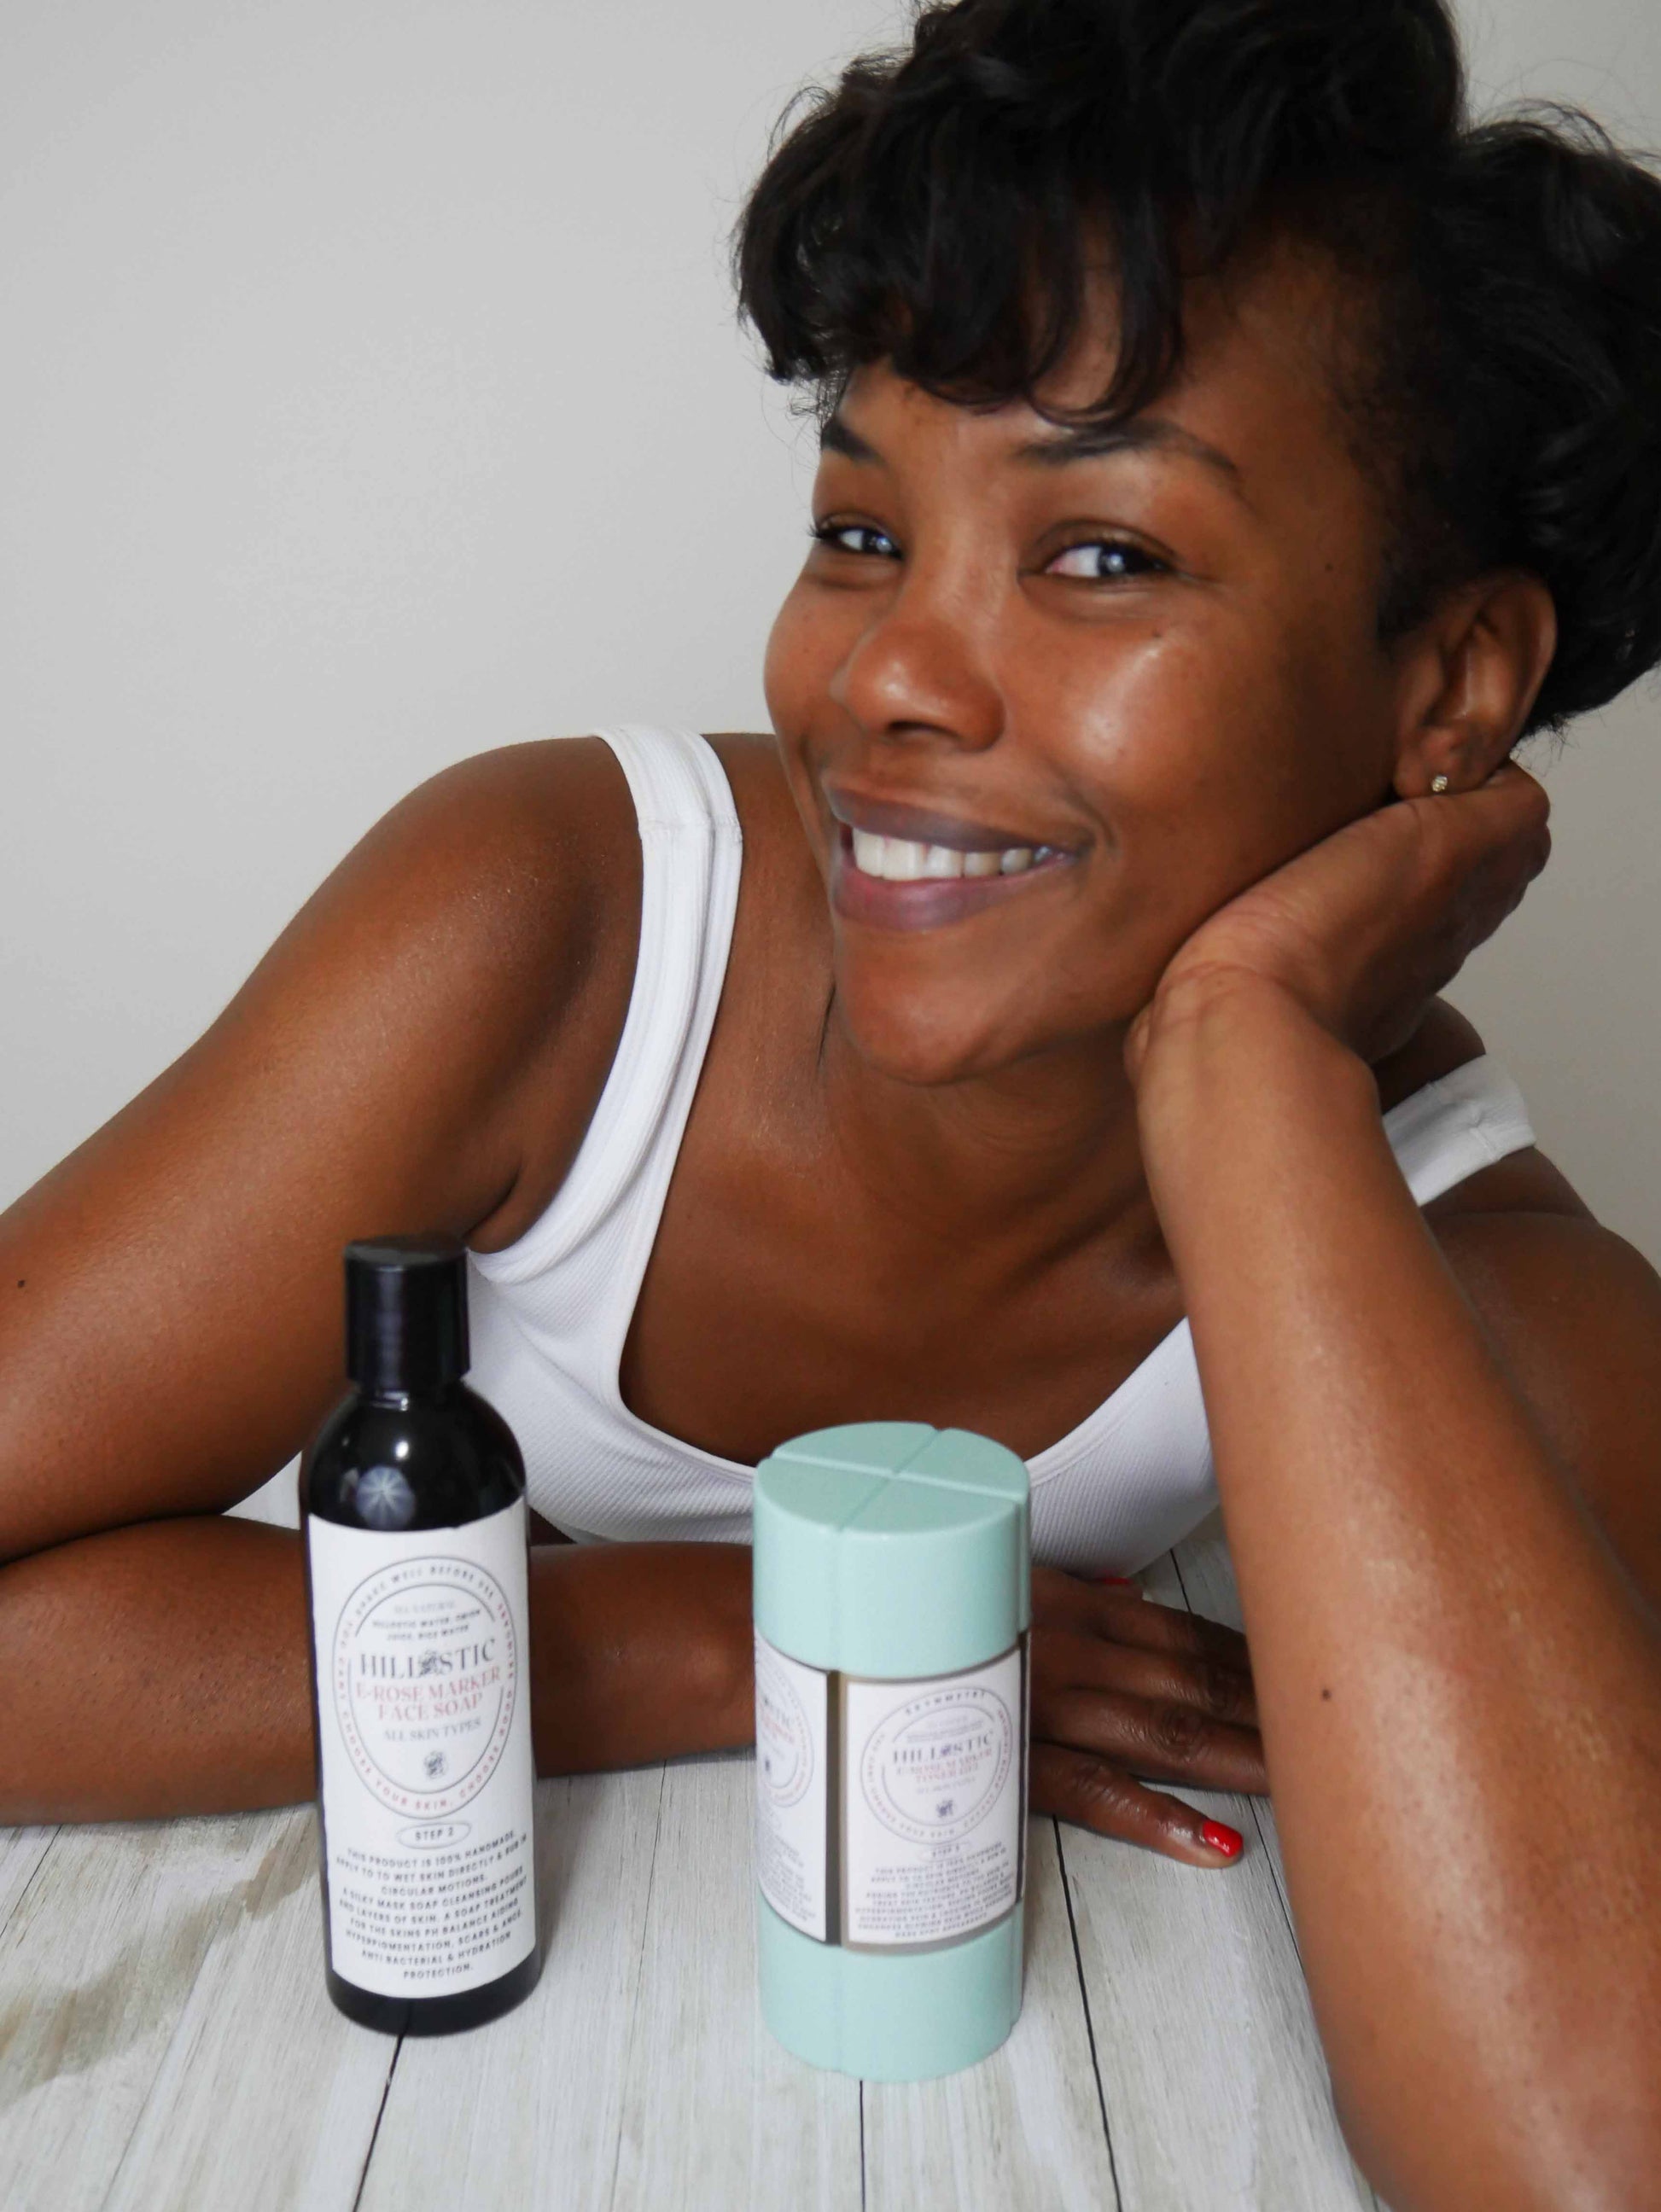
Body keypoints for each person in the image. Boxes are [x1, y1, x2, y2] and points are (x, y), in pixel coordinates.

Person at [4, 0, 1660, 2199]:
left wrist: (1256, 1063)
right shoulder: (550, 929)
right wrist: (743, 1641)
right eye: (862, 531)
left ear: (1449, 685)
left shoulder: (1483, 1264)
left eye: (1105, 556)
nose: (884, 679)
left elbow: (1579, 2147)